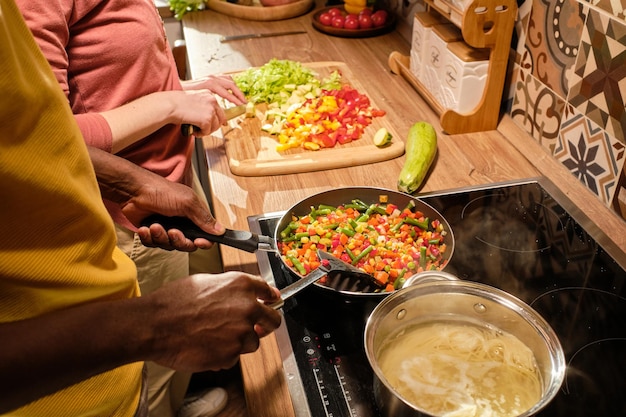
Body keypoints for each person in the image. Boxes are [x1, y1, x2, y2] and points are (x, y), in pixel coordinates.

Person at [0, 1, 282, 416]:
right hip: (62, 394)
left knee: (151, 381)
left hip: (136, 212)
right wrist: (153, 328)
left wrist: (173, 94)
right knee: (152, 374)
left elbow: (37, 127)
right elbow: (59, 135)